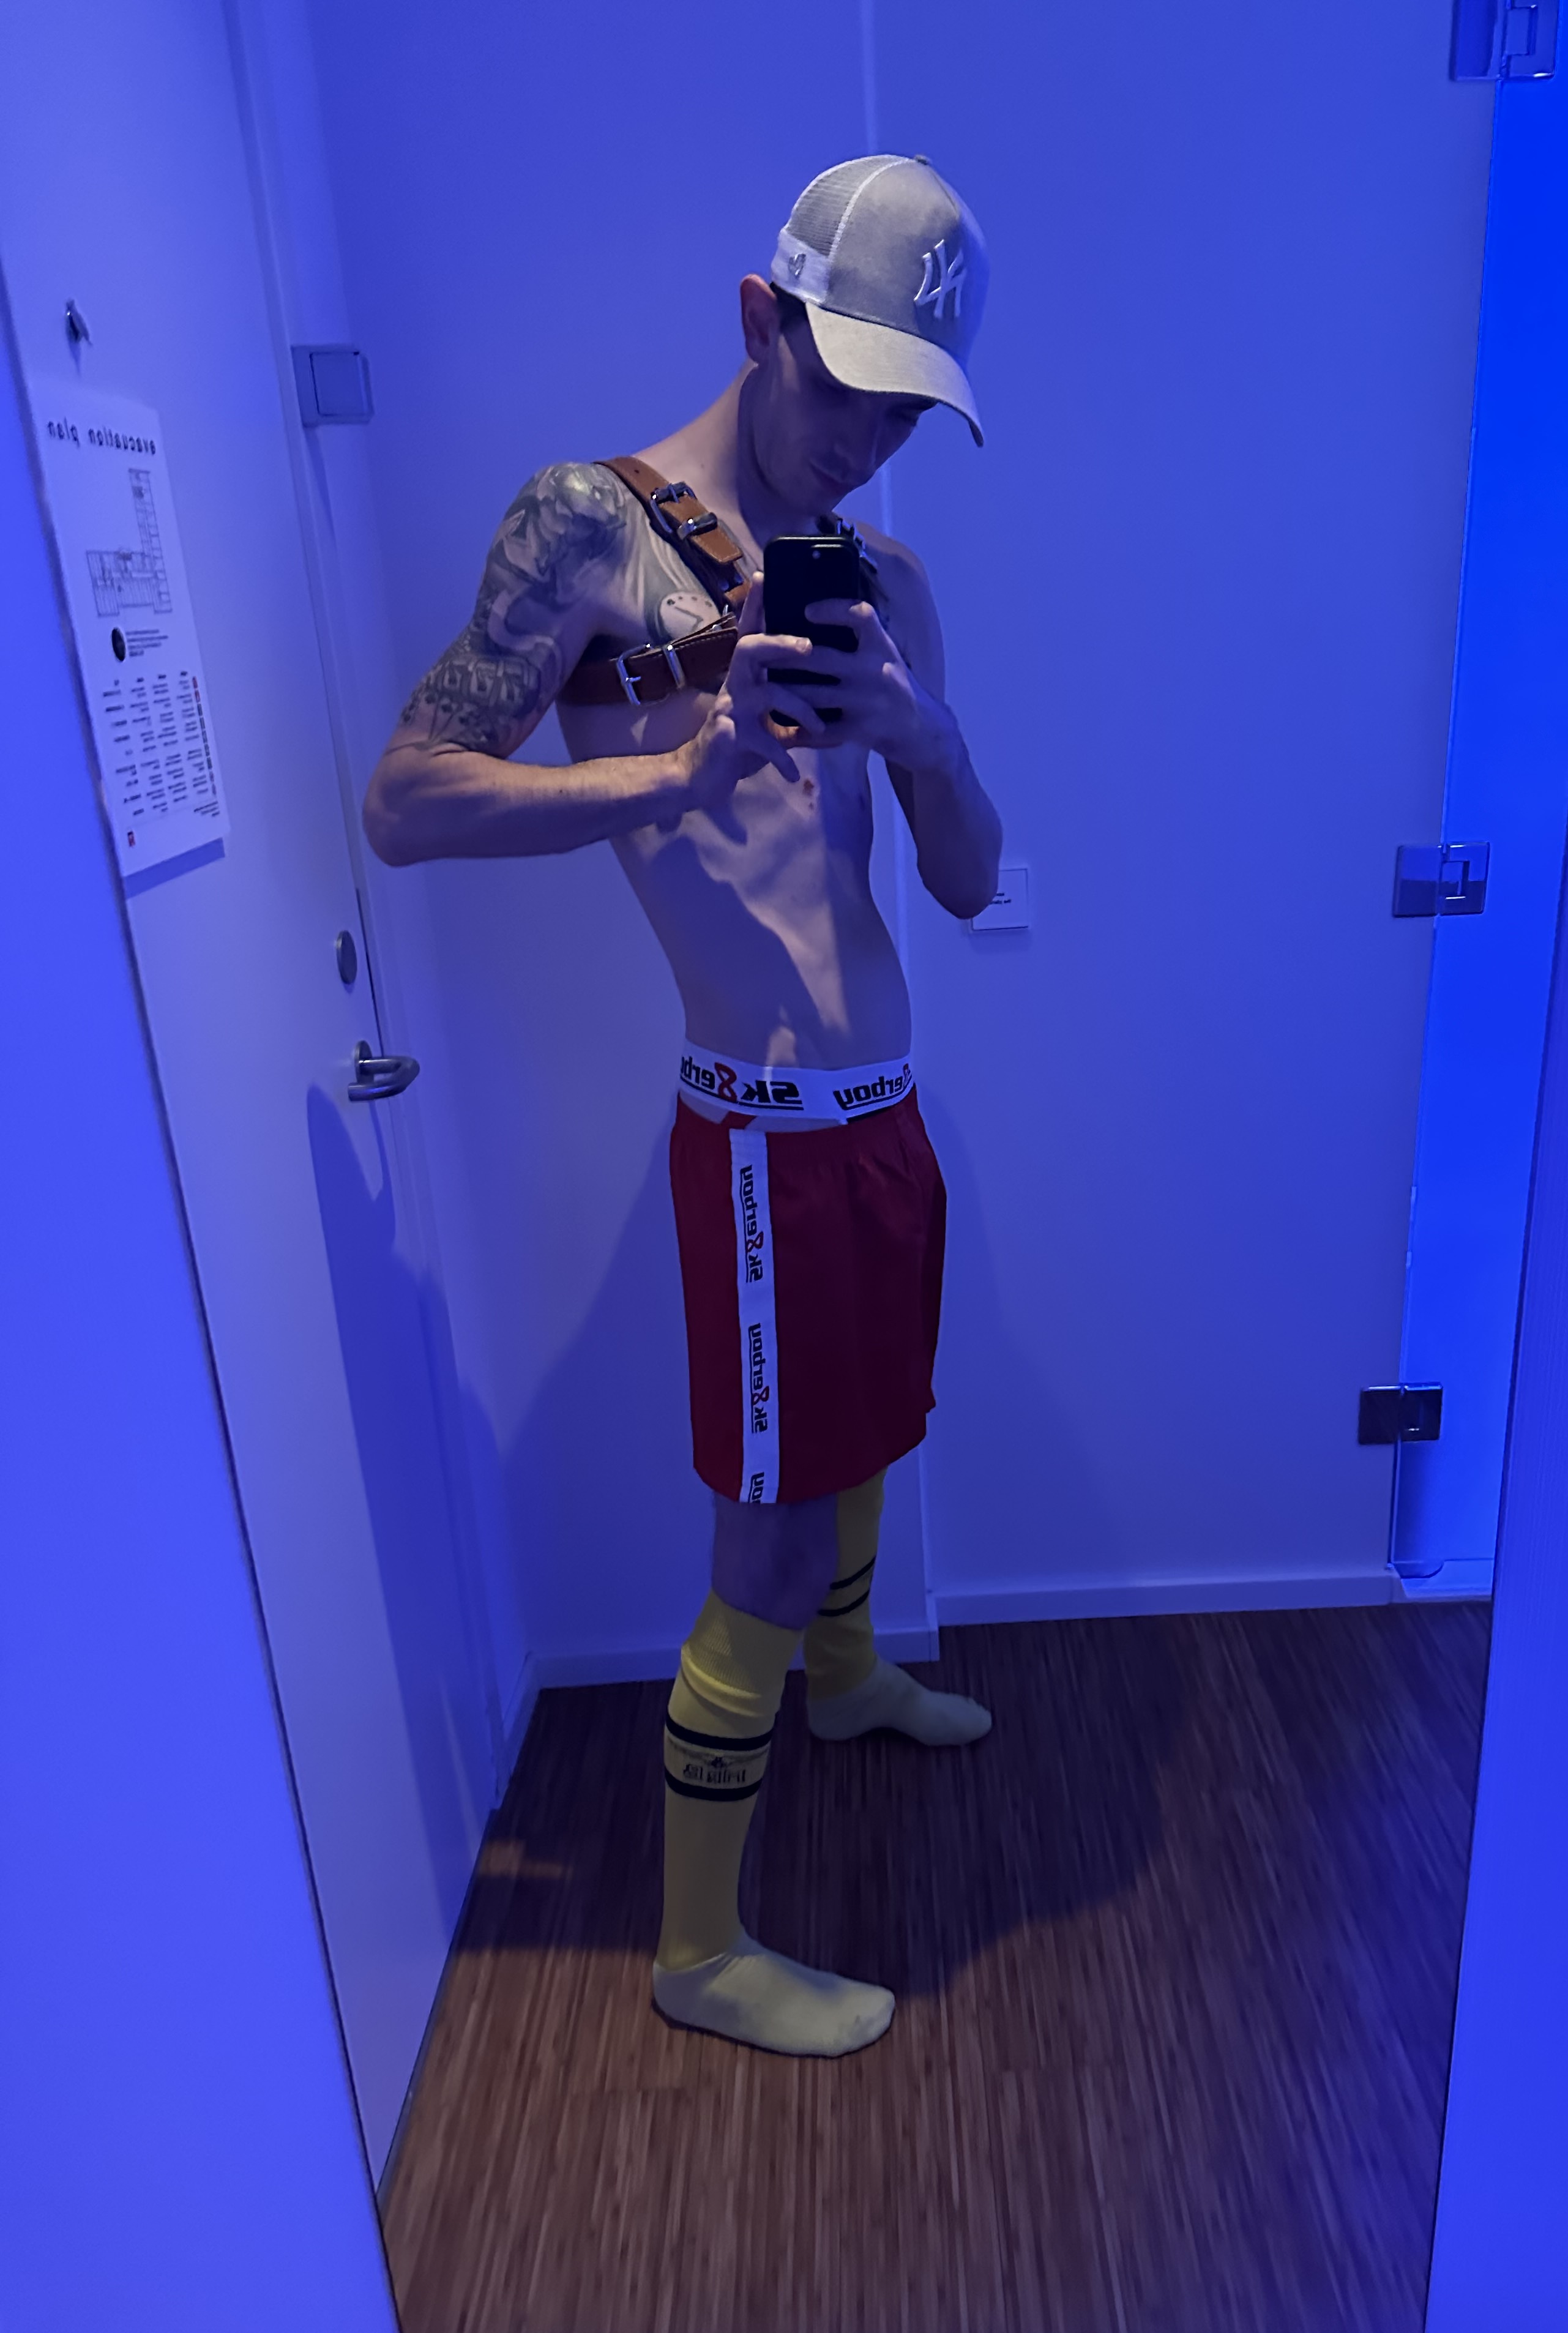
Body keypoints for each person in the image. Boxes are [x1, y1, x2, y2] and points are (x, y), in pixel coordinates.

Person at [363, 156, 1004, 2058]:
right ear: (757, 320)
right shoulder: (591, 527)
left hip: (885, 1107)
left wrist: (929, 741)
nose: (865, 446)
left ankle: (849, 1680)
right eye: (847, 389)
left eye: (907, 413)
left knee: (873, 1432)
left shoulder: (887, 587)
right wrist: (667, 774)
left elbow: (969, 880)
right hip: (760, 1135)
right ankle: (700, 1950)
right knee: (770, 1533)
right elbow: (405, 801)